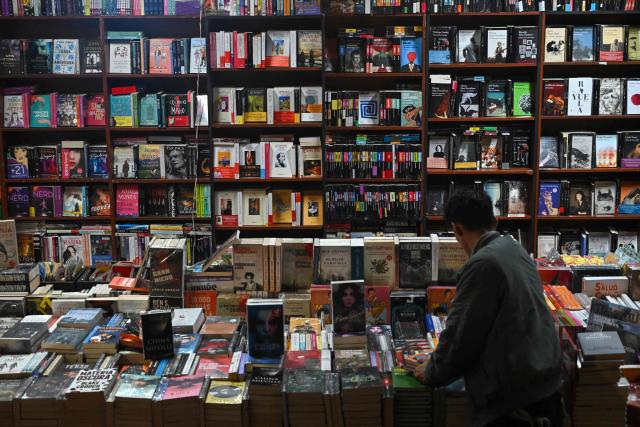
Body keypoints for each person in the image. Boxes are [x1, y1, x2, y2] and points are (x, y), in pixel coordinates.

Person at [413, 189, 563, 427]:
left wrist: (432, 371)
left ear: (457, 229)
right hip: (547, 383)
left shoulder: (482, 264)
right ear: (494, 220)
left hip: (517, 400)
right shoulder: (515, 249)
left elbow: (462, 335)